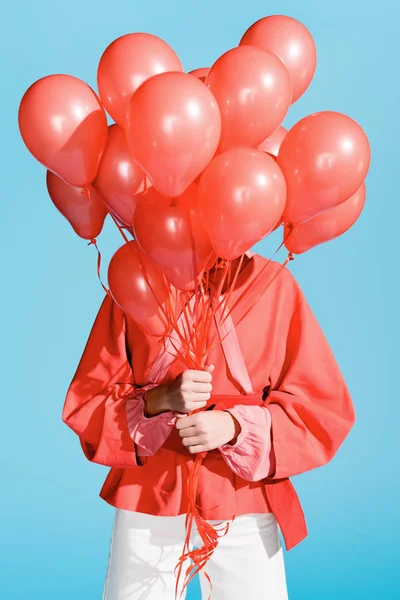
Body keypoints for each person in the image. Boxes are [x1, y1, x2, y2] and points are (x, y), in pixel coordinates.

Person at [62, 250, 356, 599]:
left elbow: (322, 407)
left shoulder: (275, 284)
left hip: (244, 498)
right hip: (151, 498)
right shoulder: (134, 278)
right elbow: (88, 400)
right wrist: (160, 400)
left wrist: (236, 427)